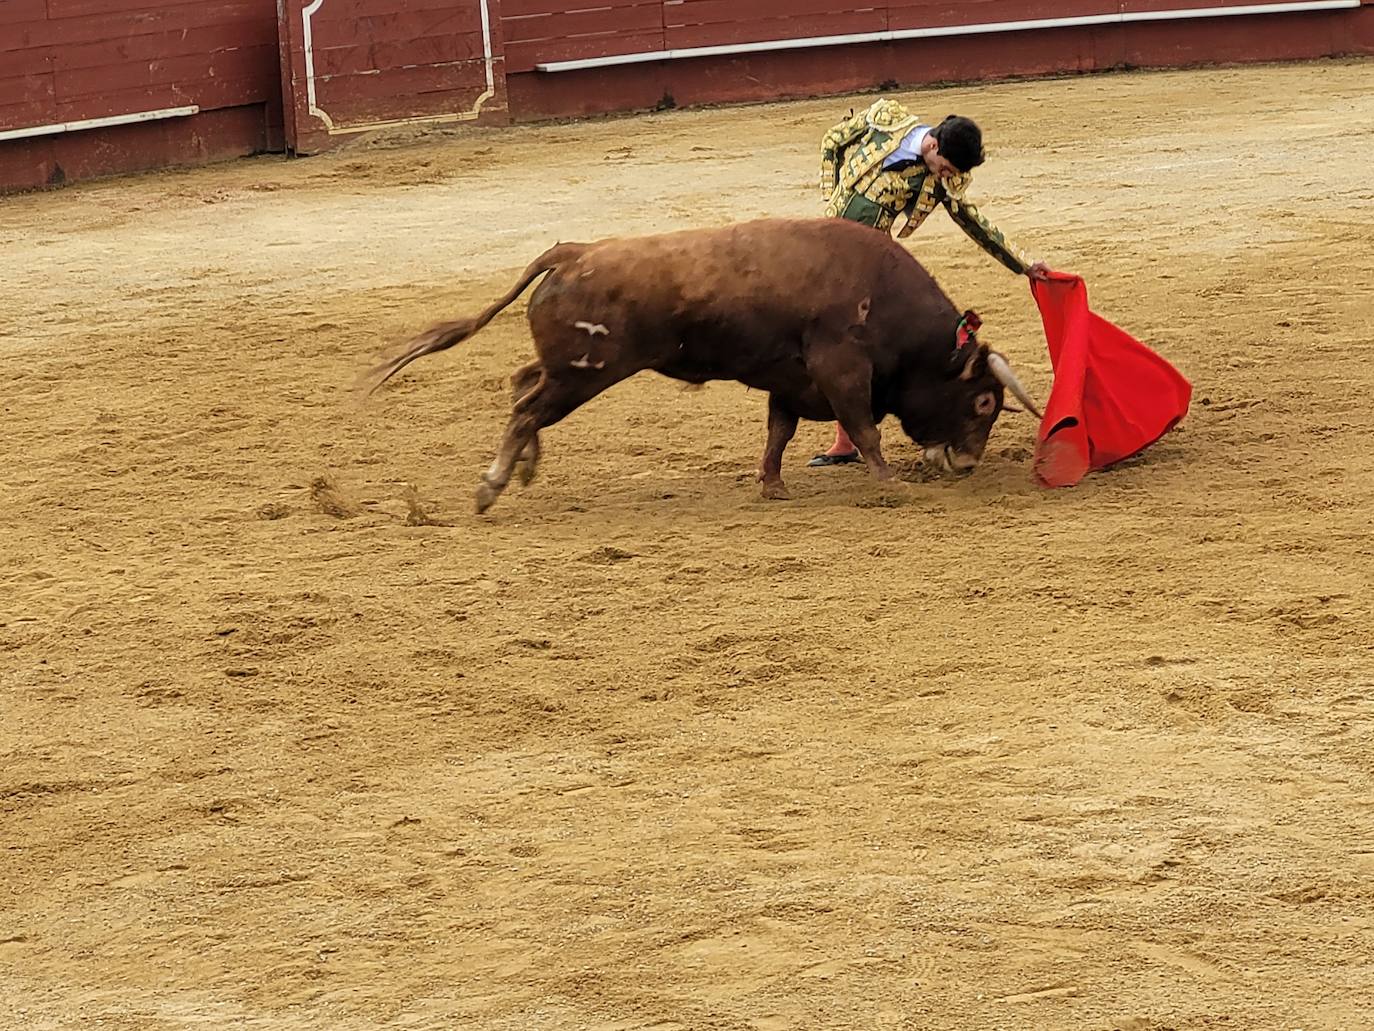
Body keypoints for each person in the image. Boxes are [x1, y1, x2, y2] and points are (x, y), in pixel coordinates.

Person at [810, 98, 1050, 466]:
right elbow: (833, 141)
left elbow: (973, 222)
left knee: (855, 344)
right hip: (824, 245)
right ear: (933, 145)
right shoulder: (886, 118)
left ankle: (847, 441)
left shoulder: (942, 181)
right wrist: (831, 194)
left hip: (867, 266)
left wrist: (1022, 264)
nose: (946, 176)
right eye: (945, 167)